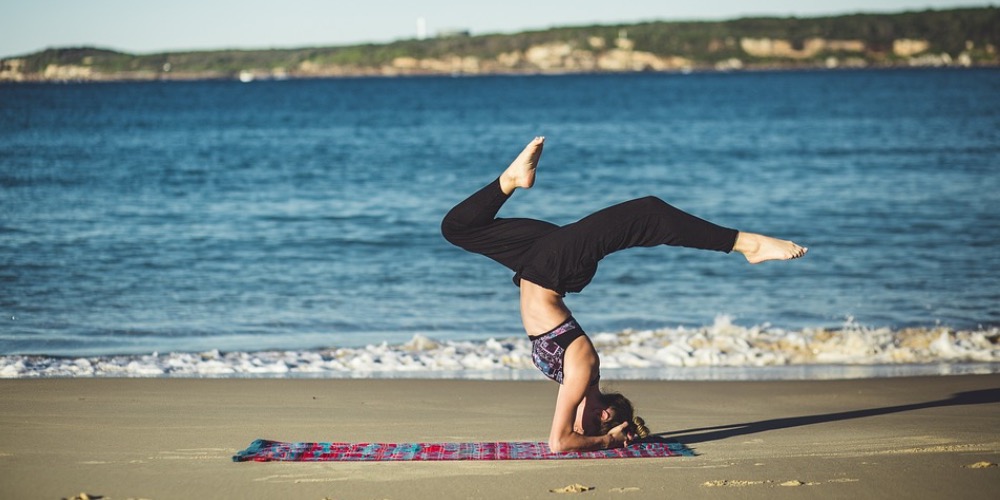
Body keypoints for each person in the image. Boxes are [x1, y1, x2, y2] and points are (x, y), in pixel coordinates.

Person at [441, 137, 807, 452]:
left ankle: (511, 180)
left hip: (537, 263)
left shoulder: (574, 381)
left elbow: (562, 438)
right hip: (554, 268)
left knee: (458, 228)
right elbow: (561, 441)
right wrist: (608, 440)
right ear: (603, 413)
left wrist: (613, 436)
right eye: (585, 424)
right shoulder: (583, 368)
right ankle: (747, 245)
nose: (574, 423)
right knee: (648, 211)